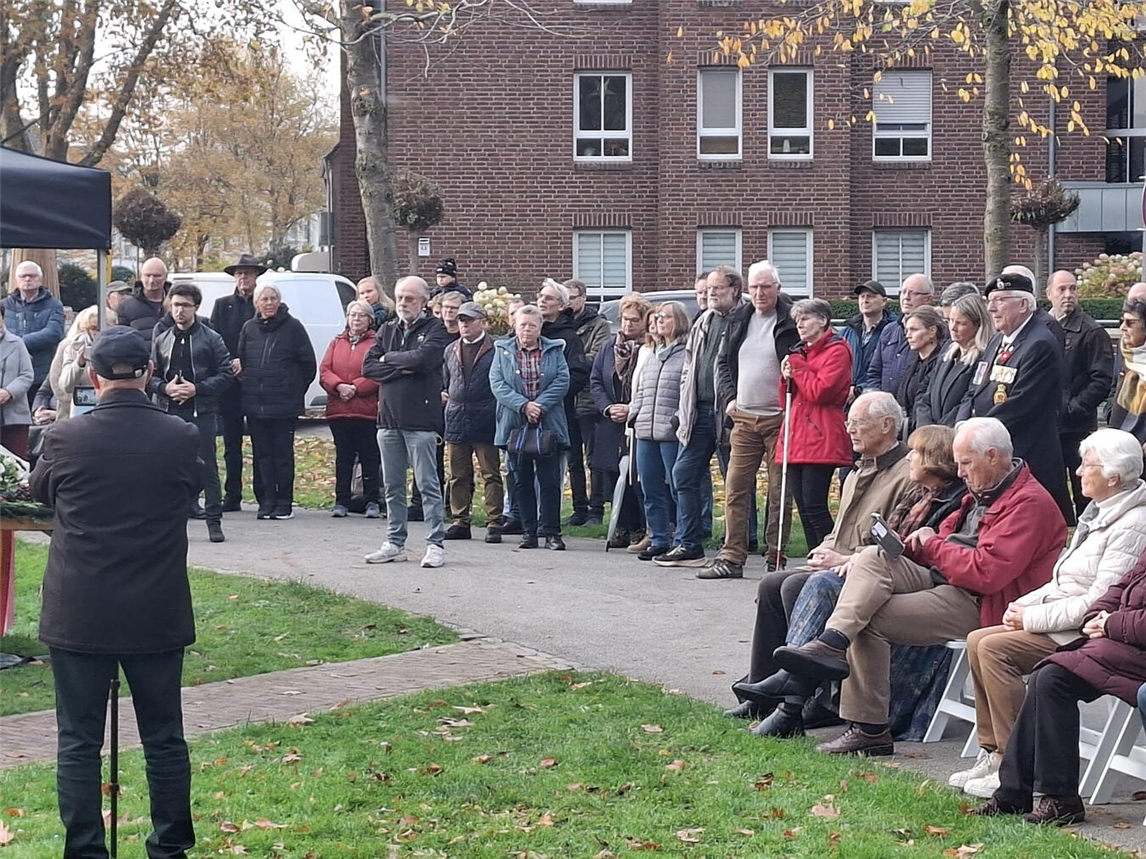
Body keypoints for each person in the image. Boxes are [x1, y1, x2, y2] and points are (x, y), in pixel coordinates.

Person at [774, 418, 1066, 757]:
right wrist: (911, 544)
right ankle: (831, 643)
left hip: (984, 602)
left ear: (992, 456)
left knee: (869, 620)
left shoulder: (1028, 503)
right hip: (948, 578)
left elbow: (987, 574)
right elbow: (947, 536)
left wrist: (931, 546)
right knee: (872, 556)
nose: (960, 472)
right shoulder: (986, 488)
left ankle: (869, 730)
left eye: (966, 463)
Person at [30, 326, 200, 859]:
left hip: (80, 609)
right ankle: (169, 847)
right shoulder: (180, 436)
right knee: (164, 736)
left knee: (79, 742)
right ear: (149, 373)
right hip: (156, 607)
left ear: (94, 377)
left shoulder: (65, 437)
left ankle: (84, 850)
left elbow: (39, 493)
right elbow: (193, 490)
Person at [737, 424, 966, 739]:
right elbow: (878, 536)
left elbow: (927, 555)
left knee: (818, 585)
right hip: (877, 567)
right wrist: (835, 552)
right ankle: (782, 692)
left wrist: (851, 558)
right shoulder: (914, 490)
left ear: (933, 460)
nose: (910, 457)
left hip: (914, 579)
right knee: (780, 584)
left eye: (917, 453)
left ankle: (793, 692)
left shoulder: (953, 500)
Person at [953, 428, 1146, 799]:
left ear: (1112, 477)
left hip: (1079, 630)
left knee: (996, 650)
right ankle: (993, 752)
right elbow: (1063, 578)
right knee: (979, 639)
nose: (1077, 472)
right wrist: (1023, 605)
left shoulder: (1132, 523)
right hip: (1071, 619)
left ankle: (1014, 761)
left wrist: (1031, 619)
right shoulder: (1099, 511)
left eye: (1086, 466)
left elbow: (1098, 598)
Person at [723, 392, 914, 720]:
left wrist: (840, 559)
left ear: (886, 426)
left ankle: (799, 696)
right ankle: (761, 689)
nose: (849, 429)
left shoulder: (907, 474)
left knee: (794, 586)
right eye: (848, 422)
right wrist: (825, 547)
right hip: (840, 562)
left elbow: (895, 542)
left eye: (857, 423)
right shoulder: (857, 471)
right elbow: (840, 529)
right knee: (772, 584)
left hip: (866, 571)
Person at [974, 555, 1146, 826]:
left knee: (1051, 677)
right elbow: (1118, 587)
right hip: (1119, 642)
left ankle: (1055, 798)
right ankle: (1017, 792)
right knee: (1049, 677)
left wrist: (1109, 624)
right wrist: (1094, 618)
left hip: (1133, 647)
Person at [705, 260, 799, 579]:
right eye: (754, 287)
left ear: (778, 288)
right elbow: (723, 364)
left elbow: (802, 366)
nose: (759, 293)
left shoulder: (791, 321)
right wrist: (729, 399)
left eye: (766, 287)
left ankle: (776, 556)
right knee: (735, 487)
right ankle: (732, 556)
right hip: (743, 419)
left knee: (779, 492)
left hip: (779, 420)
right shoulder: (739, 319)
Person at [957, 271, 1072, 522]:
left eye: (1000, 300)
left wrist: (975, 431)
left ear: (1023, 304)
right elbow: (974, 389)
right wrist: (961, 425)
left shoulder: (1039, 343)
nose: (992, 308)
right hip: (987, 446)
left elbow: (1020, 405)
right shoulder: (997, 340)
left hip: (1024, 453)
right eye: (990, 301)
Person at [656, 265, 743, 568]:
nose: (711, 294)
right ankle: (689, 542)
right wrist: (684, 407)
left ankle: (738, 545)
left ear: (734, 289)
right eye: (708, 289)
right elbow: (688, 369)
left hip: (729, 414)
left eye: (718, 288)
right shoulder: (703, 321)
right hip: (698, 413)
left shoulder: (743, 320)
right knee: (683, 474)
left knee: (734, 481)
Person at [362, 276, 451, 568]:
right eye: (400, 297)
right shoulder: (386, 329)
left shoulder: (436, 329)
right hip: (387, 420)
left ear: (424, 302)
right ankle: (394, 542)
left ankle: (435, 543)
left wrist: (390, 360)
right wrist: (399, 365)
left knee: (427, 484)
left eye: (410, 298)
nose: (403, 303)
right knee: (393, 486)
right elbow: (369, 366)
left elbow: (425, 360)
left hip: (421, 421)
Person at [149, 283, 235, 543]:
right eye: (175, 305)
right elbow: (149, 375)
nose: (180, 311)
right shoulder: (162, 338)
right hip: (168, 411)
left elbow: (226, 373)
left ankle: (213, 521)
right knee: (167, 468)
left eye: (185, 305)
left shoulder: (211, 338)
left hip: (202, 412)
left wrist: (196, 389)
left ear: (196, 307)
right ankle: (168, 522)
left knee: (207, 467)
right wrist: (165, 388)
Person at [490, 304, 571, 550]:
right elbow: (497, 383)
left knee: (549, 480)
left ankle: (552, 533)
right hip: (515, 425)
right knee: (520, 481)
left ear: (540, 328)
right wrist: (524, 406)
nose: (527, 329)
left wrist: (539, 406)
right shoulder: (502, 350)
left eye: (532, 325)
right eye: (522, 324)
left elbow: (562, 380)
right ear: (514, 325)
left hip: (547, 425)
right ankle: (529, 532)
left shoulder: (554, 349)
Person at [777, 297, 854, 552]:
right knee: (803, 507)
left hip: (821, 435)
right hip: (797, 433)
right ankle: (814, 556)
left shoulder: (837, 351)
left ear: (822, 320)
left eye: (805, 318)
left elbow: (821, 392)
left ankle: (831, 552)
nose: (800, 325)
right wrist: (785, 377)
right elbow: (786, 399)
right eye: (797, 320)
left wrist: (798, 367)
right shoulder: (802, 352)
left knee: (815, 504)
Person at [236, 283, 316, 520]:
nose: (269, 303)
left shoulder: (294, 328)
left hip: (283, 405)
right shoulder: (248, 328)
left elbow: (308, 366)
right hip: (255, 404)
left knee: (282, 455)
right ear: (257, 304)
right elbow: (243, 361)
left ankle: (283, 502)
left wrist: (292, 391)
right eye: (265, 299)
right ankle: (266, 501)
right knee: (262, 456)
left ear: (279, 302)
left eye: (273, 299)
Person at [1046, 270, 1115, 518]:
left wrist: (1073, 408)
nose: (1068, 295)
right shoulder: (1042, 327)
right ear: (1048, 293)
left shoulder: (1091, 332)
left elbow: (1101, 379)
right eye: (1062, 289)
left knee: (1084, 487)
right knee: (1050, 486)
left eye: (1073, 289)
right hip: (1047, 426)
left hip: (1076, 427)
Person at [629, 301, 690, 560]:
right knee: (650, 486)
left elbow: (687, 389)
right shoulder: (652, 353)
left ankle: (681, 538)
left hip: (670, 432)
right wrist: (635, 414)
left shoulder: (686, 352)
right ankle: (658, 538)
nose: (659, 322)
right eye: (657, 318)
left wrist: (677, 419)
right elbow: (642, 388)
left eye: (665, 317)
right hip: (645, 430)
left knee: (677, 487)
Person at [590, 292, 650, 549]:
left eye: (634, 320)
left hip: (637, 421)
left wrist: (630, 409)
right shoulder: (608, 347)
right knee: (614, 474)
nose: (628, 325)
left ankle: (642, 527)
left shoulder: (649, 348)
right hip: (610, 422)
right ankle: (620, 527)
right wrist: (607, 407)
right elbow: (595, 381)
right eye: (625, 319)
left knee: (637, 476)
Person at [442, 301, 504, 542]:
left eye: (469, 320)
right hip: (456, 417)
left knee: (491, 473)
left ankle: (495, 522)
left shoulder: (496, 348)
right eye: (461, 320)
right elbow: (445, 379)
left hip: (486, 416)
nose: (464, 324)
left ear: (483, 322)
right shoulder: (450, 349)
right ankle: (460, 520)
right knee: (458, 474)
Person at [210, 252, 265, 512]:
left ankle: (263, 493)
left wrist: (248, 363)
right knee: (231, 443)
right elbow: (215, 340)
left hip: (257, 382)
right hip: (230, 383)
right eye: (239, 273)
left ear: (256, 276)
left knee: (261, 442)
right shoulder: (222, 306)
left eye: (249, 273)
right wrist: (231, 361)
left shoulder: (264, 304)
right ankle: (232, 494)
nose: (244, 277)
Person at [319, 300, 381, 519]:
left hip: (366, 410)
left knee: (369, 457)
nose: (356, 319)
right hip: (339, 409)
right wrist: (339, 386)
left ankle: (372, 500)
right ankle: (341, 500)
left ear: (369, 320)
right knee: (343, 457)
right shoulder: (337, 342)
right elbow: (325, 369)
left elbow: (378, 371)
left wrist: (356, 387)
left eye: (361, 315)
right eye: (352, 315)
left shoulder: (376, 343)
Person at [566, 278, 612, 527]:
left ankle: (596, 509)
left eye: (572, 297)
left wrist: (571, 361)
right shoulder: (561, 325)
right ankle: (578, 508)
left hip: (588, 397)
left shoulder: (598, 325)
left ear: (583, 298)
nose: (569, 303)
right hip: (567, 397)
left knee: (593, 457)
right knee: (572, 458)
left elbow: (598, 356)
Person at [916, 293, 993, 428]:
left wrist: (941, 432)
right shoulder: (947, 351)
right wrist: (926, 427)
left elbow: (969, 400)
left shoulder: (984, 357)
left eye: (960, 323)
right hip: (930, 433)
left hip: (954, 432)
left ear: (977, 326)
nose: (952, 327)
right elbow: (927, 393)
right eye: (950, 320)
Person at [1, 260, 65, 407]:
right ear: (16, 280)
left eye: (32, 276)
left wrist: (18, 343)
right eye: (23, 276)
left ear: (40, 279)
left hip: (41, 373)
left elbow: (53, 333)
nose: (27, 279)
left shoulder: (54, 305)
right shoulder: (5, 305)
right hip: (9, 376)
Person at [865, 273, 934, 395]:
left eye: (913, 293)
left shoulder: (936, 332)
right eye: (903, 292)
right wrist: (879, 398)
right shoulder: (889, 330)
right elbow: (874, 372)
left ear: (928, 299)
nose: (906, 298)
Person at [840, 280, 895, 404]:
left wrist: (860, 389)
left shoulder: (894, 331)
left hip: (877, 400)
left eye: (870, 296)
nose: (865, 300)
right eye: (862, 296)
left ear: (884, 301)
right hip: (845, 400)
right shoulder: (846, 332)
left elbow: (890, 369)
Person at [896, 305, 946, 436]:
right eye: (907, 330)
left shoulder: (941, 363)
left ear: (932, 331)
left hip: (929, 432)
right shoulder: (913, 365)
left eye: (914, 330)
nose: (908, 335)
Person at [1109, 296, 1146, 443]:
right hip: (1121, 439)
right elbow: (1114, 385)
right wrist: (1110, 413)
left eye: (1130, 323)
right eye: (1121, 321)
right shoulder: (1124, 349)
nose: (1122, 327)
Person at [0, 304, 33, 456]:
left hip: (14, 418)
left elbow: (27, 375)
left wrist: (8, 392)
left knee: (17, 465)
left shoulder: (17, 343)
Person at [116, 257, 171, 345]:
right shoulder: (126, 307)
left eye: (157, 276)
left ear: (165, 277)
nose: (151, 280)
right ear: (141, 276)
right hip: (140, 357)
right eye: (147, 275)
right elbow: (122, 342)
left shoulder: (177, 304)